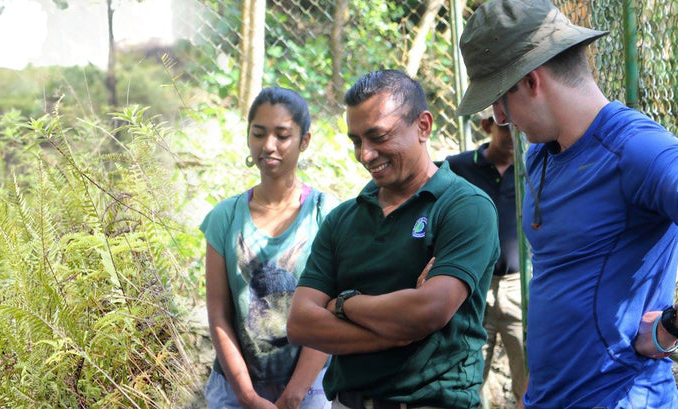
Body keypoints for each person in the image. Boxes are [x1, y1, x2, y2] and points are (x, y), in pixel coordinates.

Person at [457, 0, 678, 407]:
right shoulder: (540, 153)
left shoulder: (638, 150)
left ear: (531, 81)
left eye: (497, 98)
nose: (497, 116)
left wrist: (671, 326)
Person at [287, 70, 499, 409]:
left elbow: (429, 310)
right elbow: (300, 323)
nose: (365, 155)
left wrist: (343, 304)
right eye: (356, 141)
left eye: (379, 136)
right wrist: (400, 330)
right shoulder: (342, 219)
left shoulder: (465, 207)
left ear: (424, 126)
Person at [200, 87, 334, 409]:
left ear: (304, 141)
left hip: (310, 386)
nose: (269, 145)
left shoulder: (325, 214)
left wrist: (295, 393)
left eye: (282, 135)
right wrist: (246, 395)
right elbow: (219, 313)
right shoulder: (225, 218)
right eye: (259, 134)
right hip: (234, 388)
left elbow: (330, 311)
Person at [444, 110, 527, 404]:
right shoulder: (458, 167)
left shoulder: (533, 168)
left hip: (520, 286)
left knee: (528, 374)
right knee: (468, 370)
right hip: (474, 284)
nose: (513, 136)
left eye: (519, 128)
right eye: (505, 127)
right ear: (487, 126)